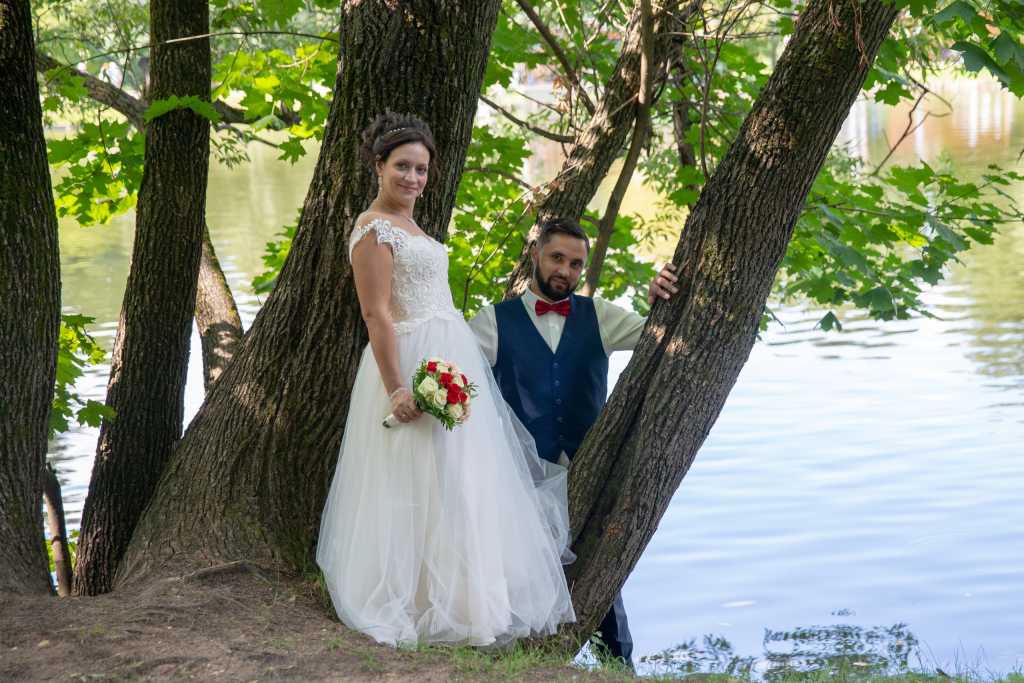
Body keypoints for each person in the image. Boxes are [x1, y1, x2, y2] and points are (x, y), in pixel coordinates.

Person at [316, 112, 575, 648]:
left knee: (457, 479)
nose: (413, 178)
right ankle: (412, 598)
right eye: (402, 166)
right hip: (408, 361)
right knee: (413, 479)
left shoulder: (414, 228)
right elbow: (376, 314)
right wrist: (397, 388)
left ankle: (461, 597)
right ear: (379, 166)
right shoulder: (373, 229)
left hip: (450, 358)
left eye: (421, 169)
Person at [468, 217, 679, 668]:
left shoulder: (599, 315)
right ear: (536, 255)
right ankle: (518, 662)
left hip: (590, 466)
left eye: (576, 264)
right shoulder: (492, 322)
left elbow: (661, 336)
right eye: (557, 258)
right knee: (520, 568)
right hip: (523, 474)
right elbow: (456, 376)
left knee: (599, 571)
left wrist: (657, 297)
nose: (565, 270)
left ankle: (617, 667)